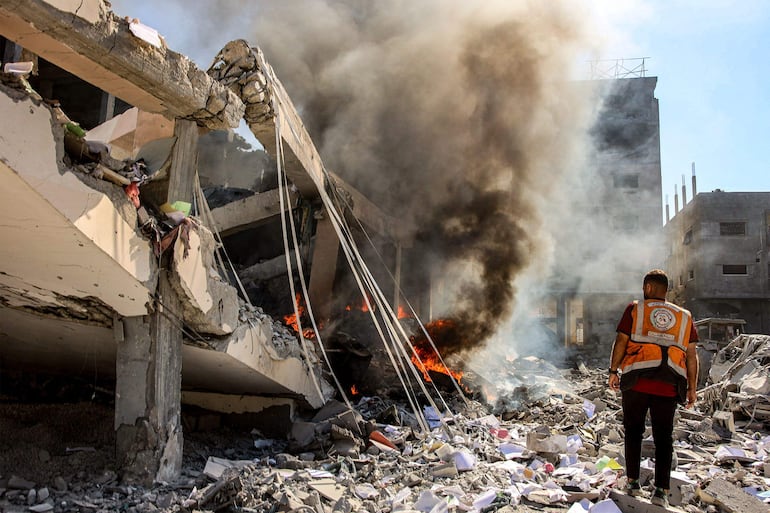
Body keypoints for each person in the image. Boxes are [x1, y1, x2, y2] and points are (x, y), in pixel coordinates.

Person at [608, 269, 699, 507]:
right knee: (663, 438)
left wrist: (613, 371)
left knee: (634, 432)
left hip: (636, 382)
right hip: (669, 385)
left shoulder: (635, 309)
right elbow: (691, 356)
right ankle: (661, 491)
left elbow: (621, 341)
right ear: (666, 290)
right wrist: (692, 388)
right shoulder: (684, 316)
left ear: (648, 288)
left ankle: (632, 482)